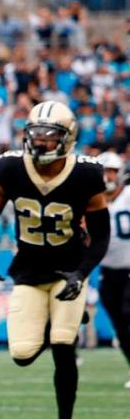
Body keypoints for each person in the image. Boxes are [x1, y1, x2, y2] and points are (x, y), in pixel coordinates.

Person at [0, 101, 109, 419]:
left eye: (50, 137)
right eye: (35, 135)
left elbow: (101, 234)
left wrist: (82, 273)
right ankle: (56, 325)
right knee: (21, 354)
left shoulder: (86, 174)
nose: (40, 142)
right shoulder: (11, 168)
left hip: (69, 270)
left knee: (64, 345)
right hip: (30, 270)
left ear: (67, 139)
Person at [95, 152, 130, 387]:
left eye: (112, 171)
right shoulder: (91, 200)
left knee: (129, 313)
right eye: (104, 171)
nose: (108, 176)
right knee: (119, 325)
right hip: (108, 271)